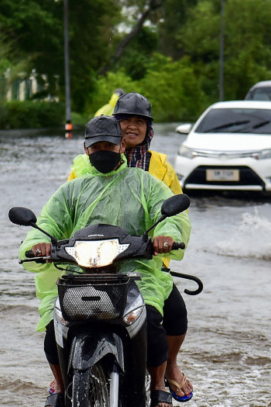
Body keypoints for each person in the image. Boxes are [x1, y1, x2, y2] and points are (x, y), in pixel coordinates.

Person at [19, 115, 190, 407]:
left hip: (135, 273)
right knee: (53, 331)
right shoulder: (72, 190)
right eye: (96, 146)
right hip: (80, 273)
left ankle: (159, 386)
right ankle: (60, 386)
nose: (102, 151)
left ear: (121, 146)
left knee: (151, 325)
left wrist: (165, 237)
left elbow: (170, 218)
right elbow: (49, 221)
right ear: (86, 149)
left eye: (108, 146)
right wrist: (38, 244)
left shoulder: (145, 183)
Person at [68, 92, 193, 402]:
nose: (132, 127)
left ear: (148, 129)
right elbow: (66, 209)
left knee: (172, 315)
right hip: (94, 258)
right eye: (125, 121)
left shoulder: (159, 167)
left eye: (140, 122)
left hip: (144, 258)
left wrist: (164, 239)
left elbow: (174, 210)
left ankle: (165, 375)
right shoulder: (86, 166)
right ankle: (62, 380)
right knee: (61, 316)